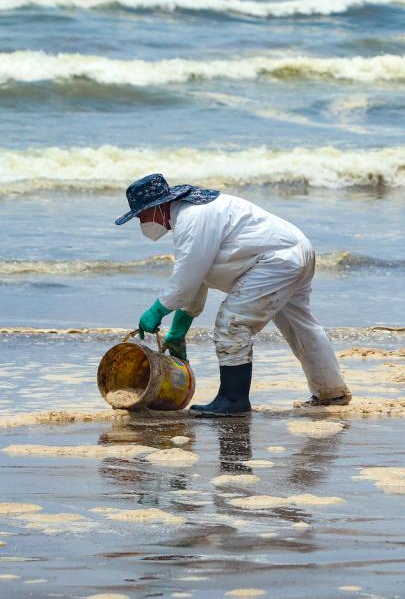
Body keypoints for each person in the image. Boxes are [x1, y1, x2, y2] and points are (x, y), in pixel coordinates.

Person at [116, 174, 351, 417]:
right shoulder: (193, 213)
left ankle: (233, 400)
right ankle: (331, 393)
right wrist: (178, 330)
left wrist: (157, 310)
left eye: (141, 214)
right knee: (299, 325)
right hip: (295, 250)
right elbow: (197, 279)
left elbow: (185, 279)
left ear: (156, 207)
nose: (141, 220)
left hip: (276, 261)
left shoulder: (191, 219)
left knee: (233, 324)